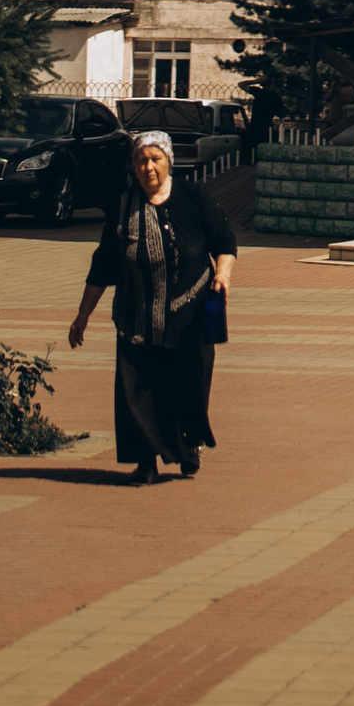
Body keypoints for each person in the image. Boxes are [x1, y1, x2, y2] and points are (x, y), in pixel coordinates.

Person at [67, 128, 236, 484]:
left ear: (169, 162)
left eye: (155, 159)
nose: (148, 167)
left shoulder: (193, 196)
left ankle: (189, 445)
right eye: (141, 160)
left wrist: (222, 275)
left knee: (189, 386)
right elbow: (104, 264)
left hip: (190, 317)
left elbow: (224, 240)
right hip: (137, 315)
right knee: (137, 390)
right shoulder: (123, 204)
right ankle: (146, 461)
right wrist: (82, 316)